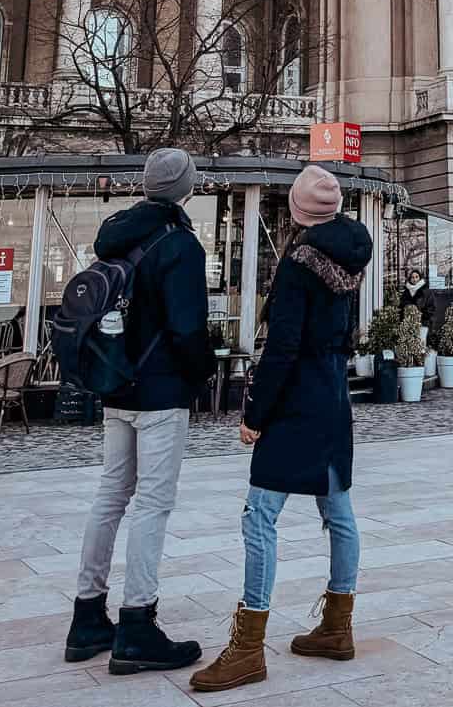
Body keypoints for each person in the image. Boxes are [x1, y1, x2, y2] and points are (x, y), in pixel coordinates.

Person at [189, 165, 372, 695]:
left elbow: (283, 347)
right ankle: (338, 626)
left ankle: (248, 646)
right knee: (337, 509)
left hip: (296, 401)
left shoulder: (299, 264)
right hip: (333, 395)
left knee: (260, 515)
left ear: (298, 210)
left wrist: (254, 414)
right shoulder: (351, 254)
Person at [66, 147, 216, 675]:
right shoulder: (179, 245)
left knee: (110, 496)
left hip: (118, 385)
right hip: (160, 391)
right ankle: (137, 623)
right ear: (185, 189)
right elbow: (187, 326)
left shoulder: (118, 234)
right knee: (152, 503)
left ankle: (87, 616)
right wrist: (204, 374)